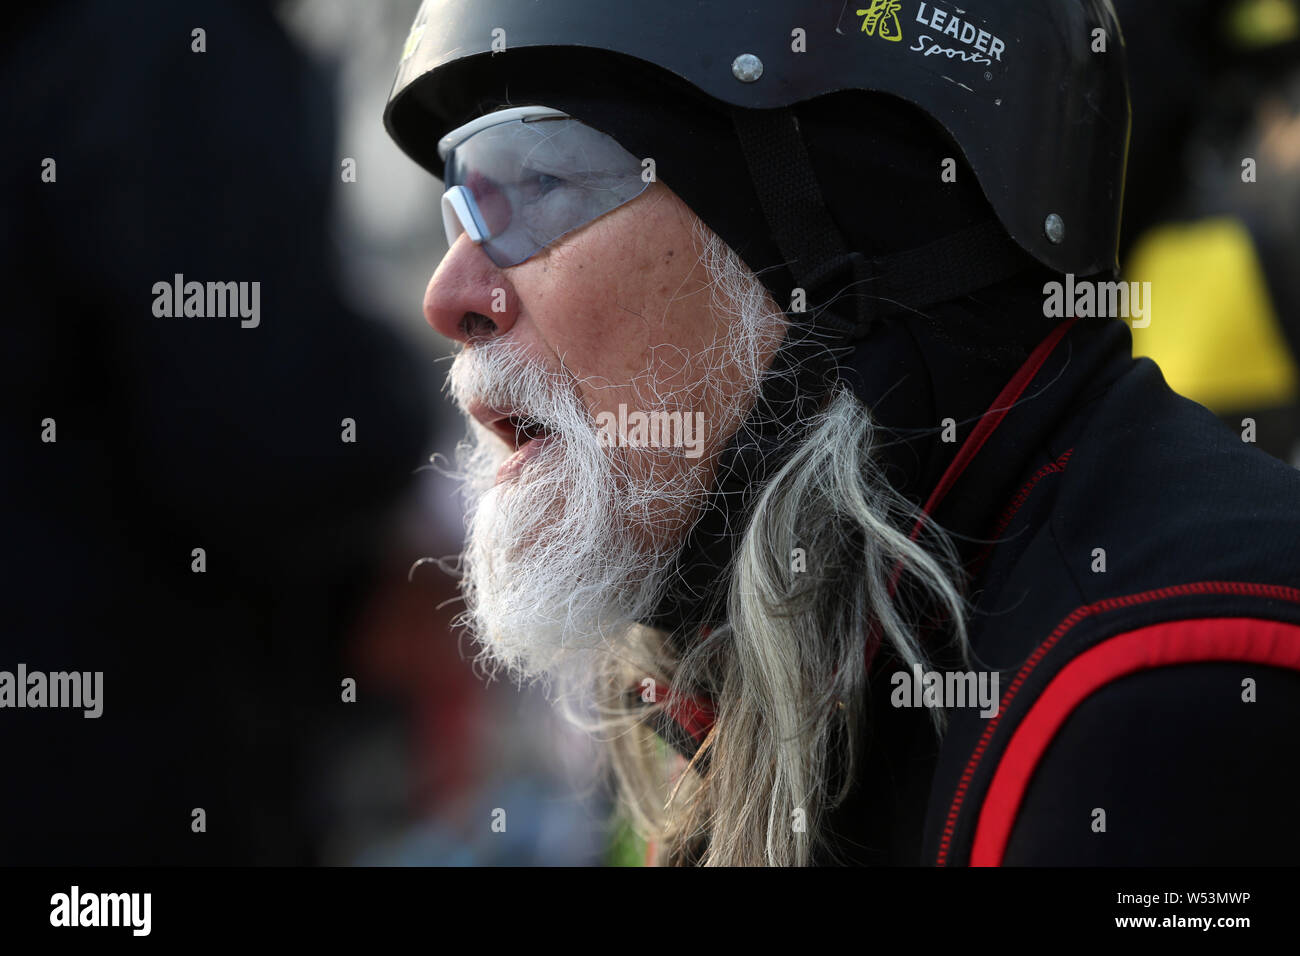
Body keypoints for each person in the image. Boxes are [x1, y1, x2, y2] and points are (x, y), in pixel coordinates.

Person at [383, 0, 1300, 865]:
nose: (449, 296)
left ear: (829, 239)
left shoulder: (1160, 697)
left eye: (537, 181)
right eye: (462, 203)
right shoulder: (784, 670)